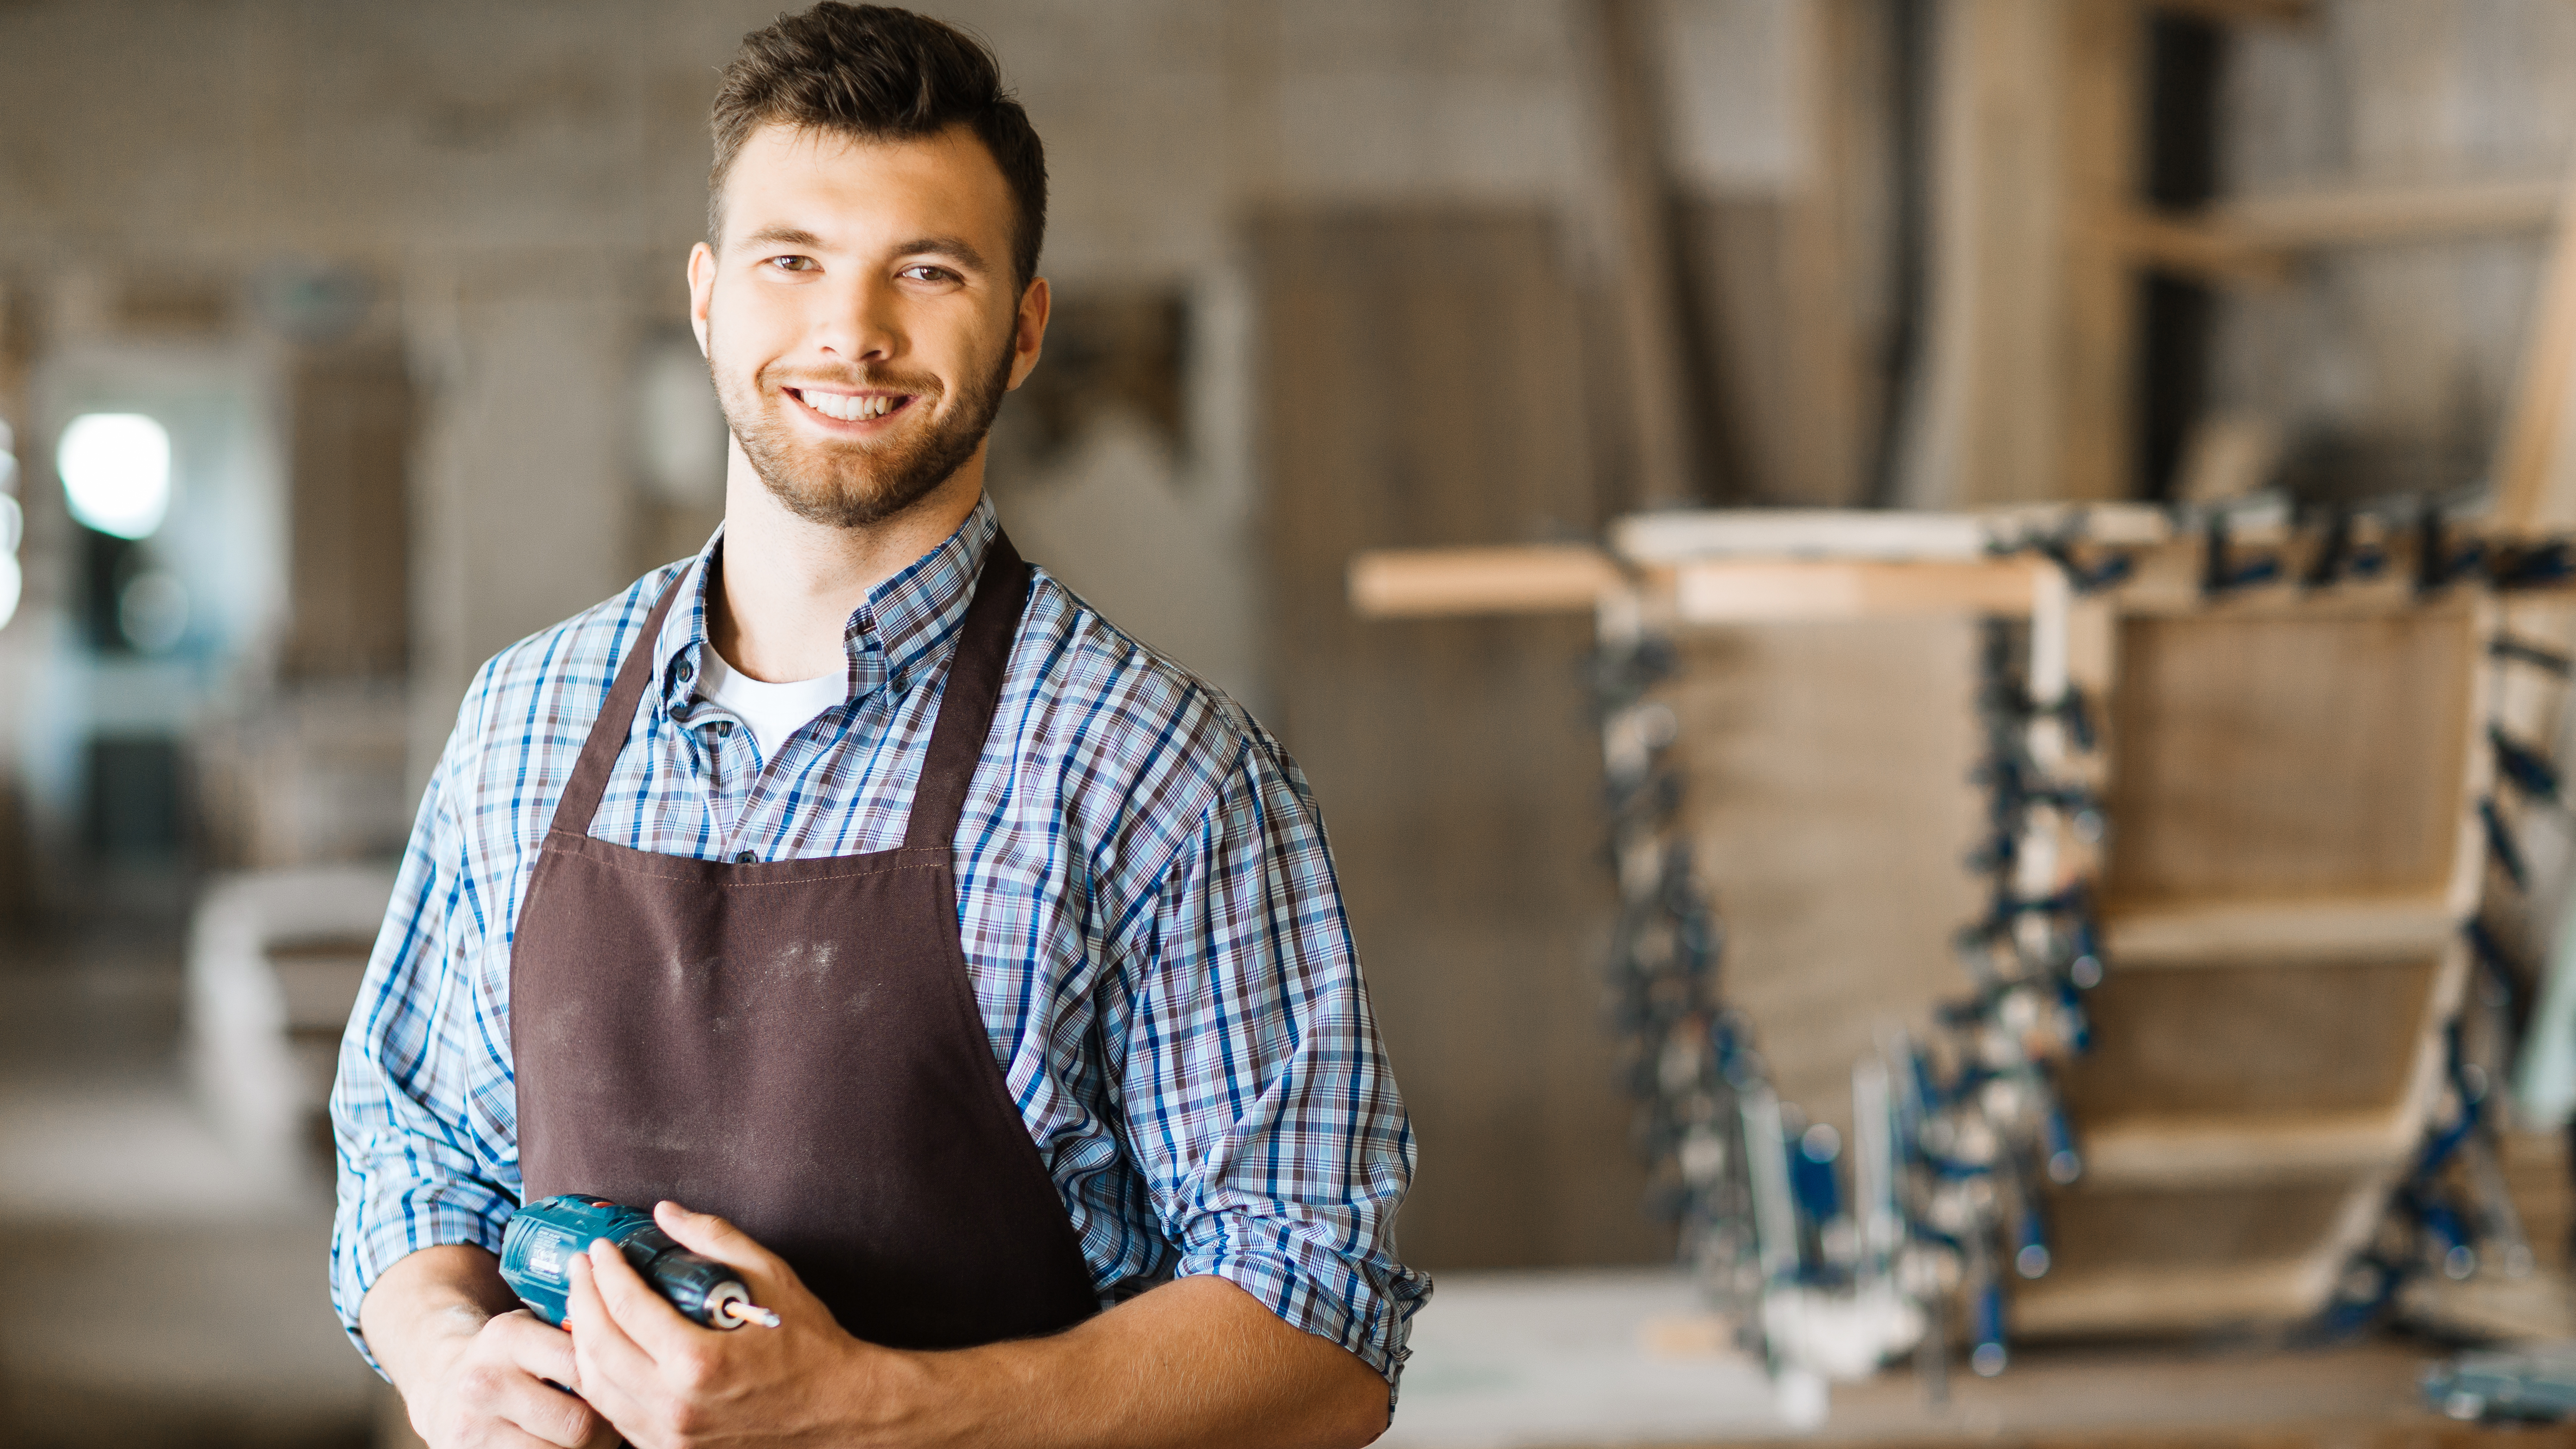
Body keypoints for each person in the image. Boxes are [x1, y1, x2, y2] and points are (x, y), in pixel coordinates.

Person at [328, 6, 1426, 1445]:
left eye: (927, 270)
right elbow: (414, 1146)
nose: (852, 332)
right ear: (710, 296)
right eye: (795, 261)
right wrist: (441, 1348)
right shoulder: (525, 719)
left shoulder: (1156, 770)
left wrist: (872, 1406)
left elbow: (1318, 1324)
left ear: (1023, 326)